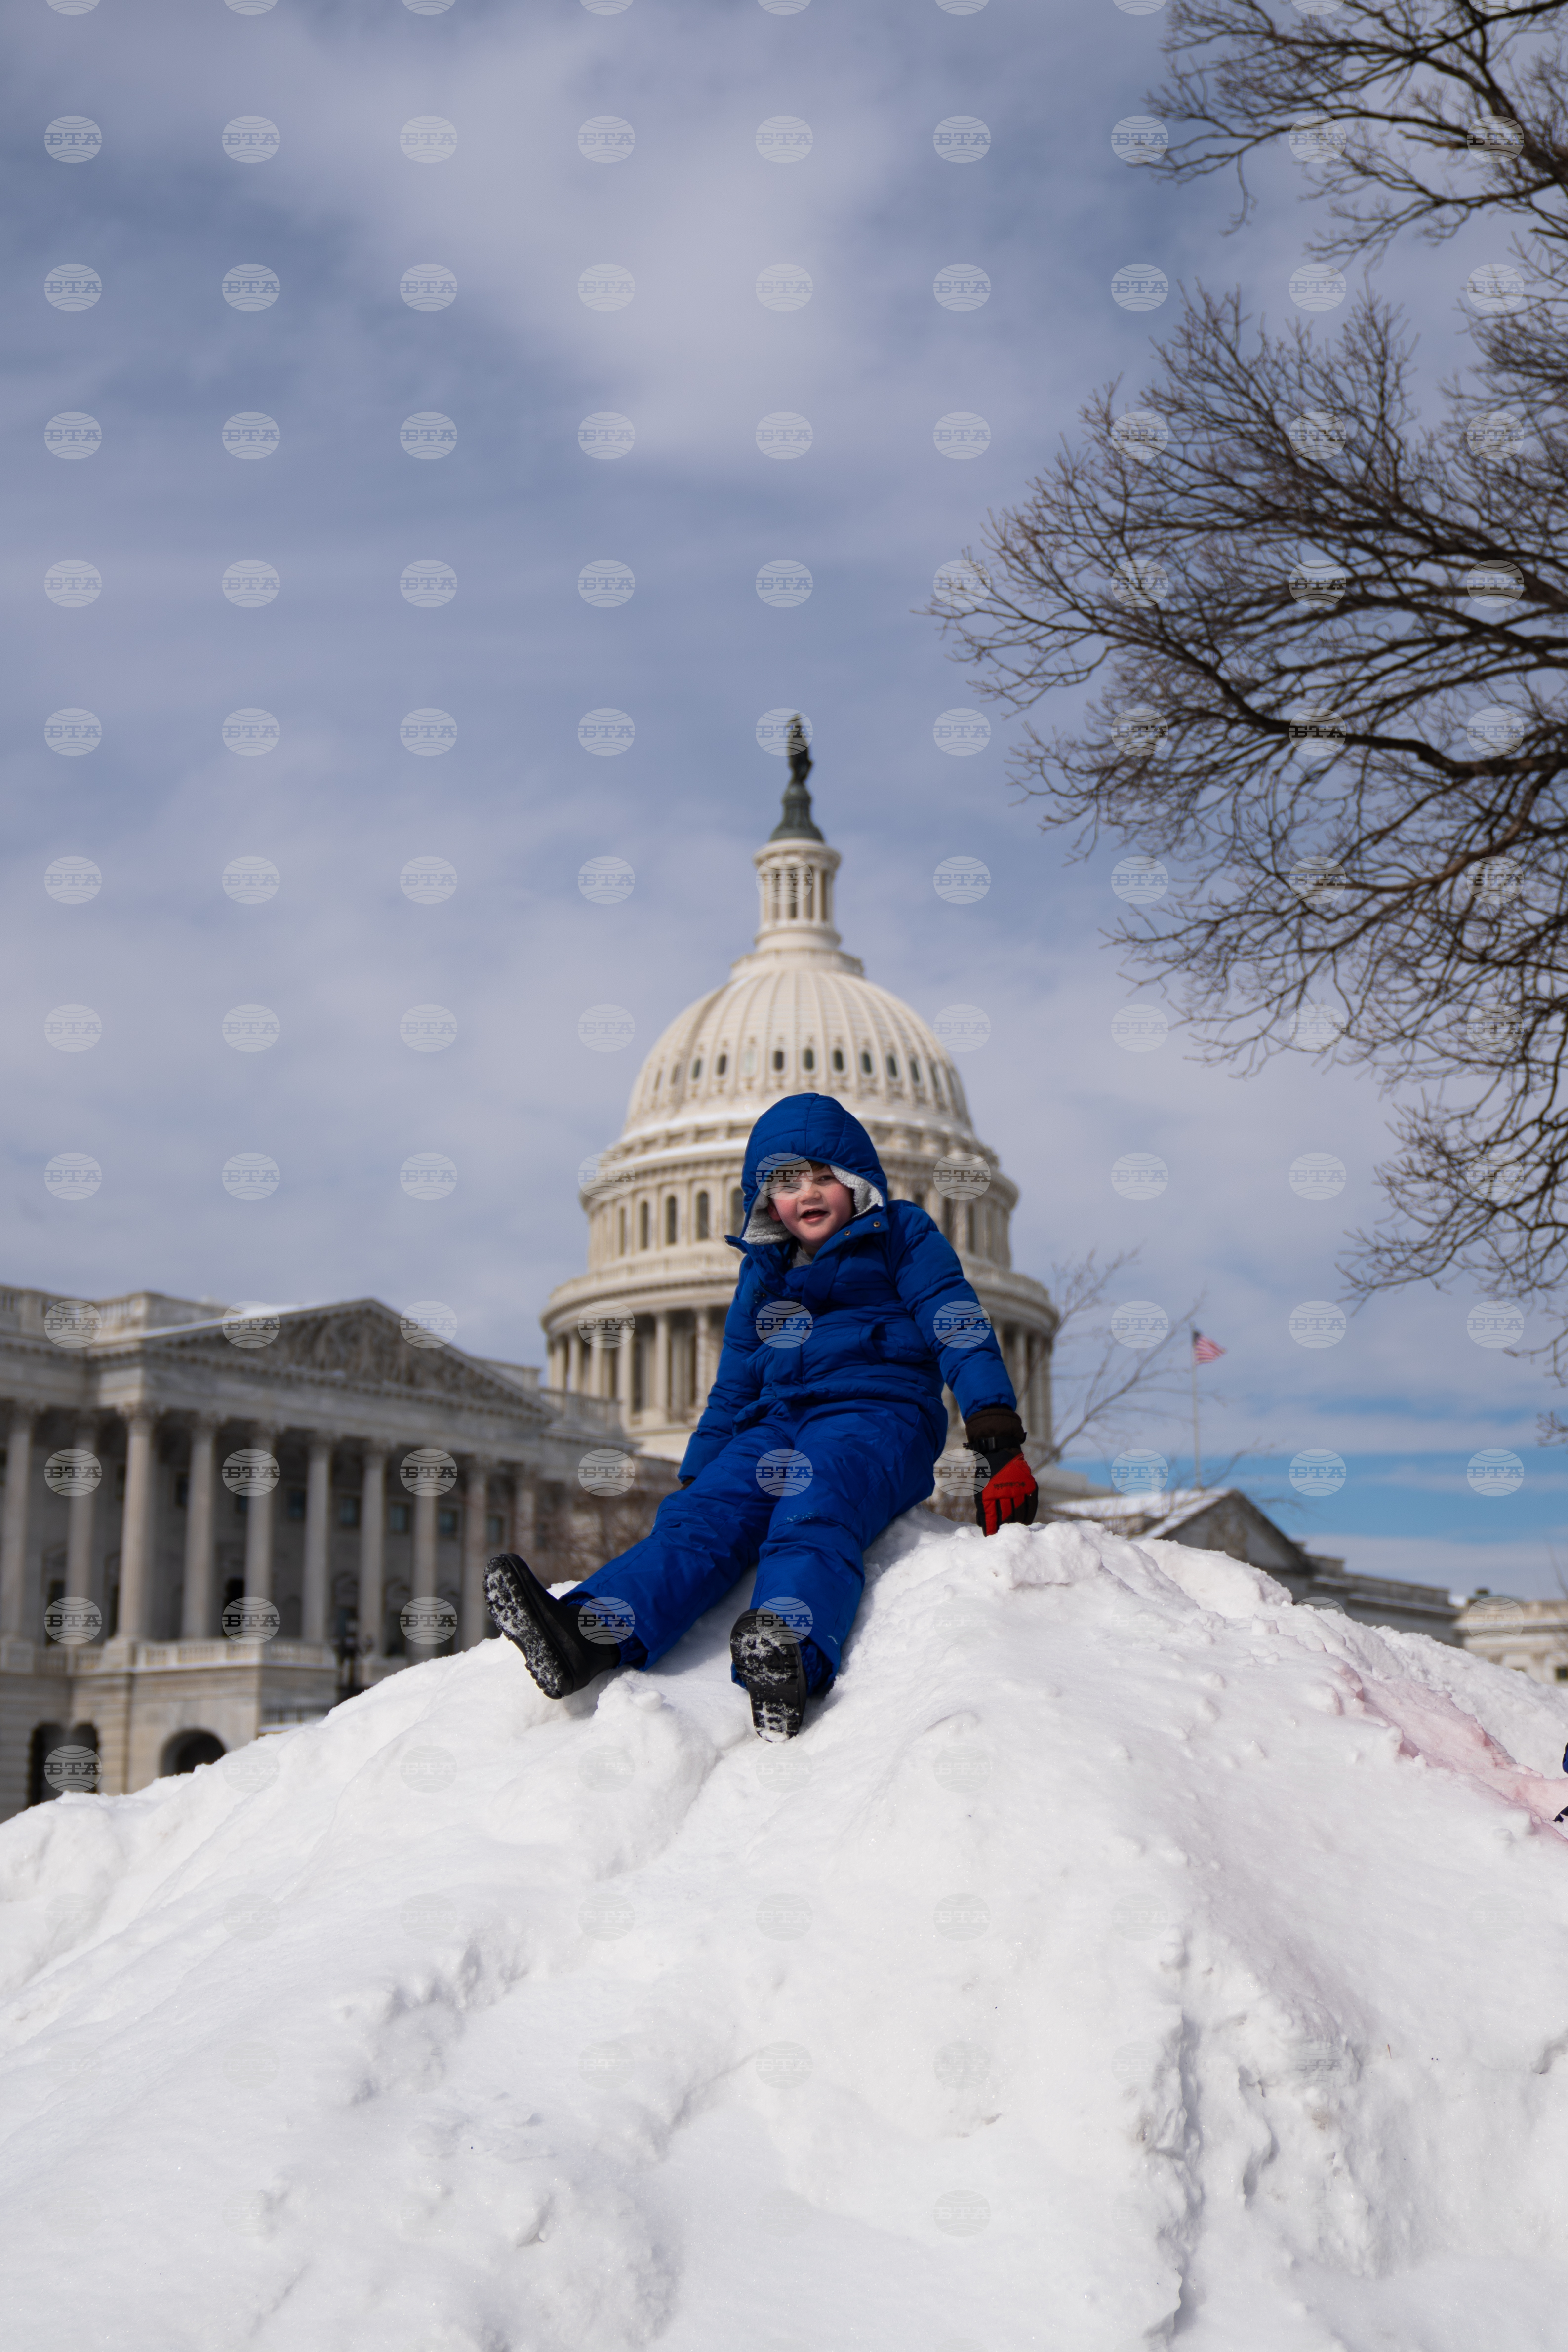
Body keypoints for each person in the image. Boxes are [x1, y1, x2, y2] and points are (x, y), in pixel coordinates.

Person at [485, 1093, 1038, 1740]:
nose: (809, 1193)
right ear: (767, 1201)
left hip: (878, 1415)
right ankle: (587, 1636)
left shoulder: (903, 1235)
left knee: (816, 1503)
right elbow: (735, 1383)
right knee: (701, 1521)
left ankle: (791, 1649)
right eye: (788, 1182)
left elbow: (956, 1323)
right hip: (776, 1421)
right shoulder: (763, 1271)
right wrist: (700, 1477)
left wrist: (995, 1436)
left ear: (858, 1181)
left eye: (826, 1175)